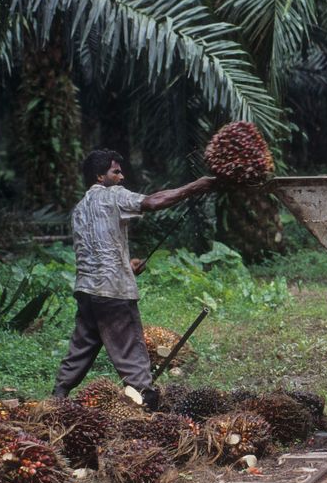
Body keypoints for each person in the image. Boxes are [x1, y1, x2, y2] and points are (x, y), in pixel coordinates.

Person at [52, 149, 215, 409]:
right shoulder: (113, 194)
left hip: (87, 291)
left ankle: (57, 397)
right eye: (115, 171)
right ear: (99, 176)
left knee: (82, 347)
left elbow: (95, 248)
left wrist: (127, 266)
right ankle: (147, 401)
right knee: (131, 350)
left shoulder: (79, 209)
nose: (121, 176)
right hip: (114, 293)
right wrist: (194, 187)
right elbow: (152, 202)